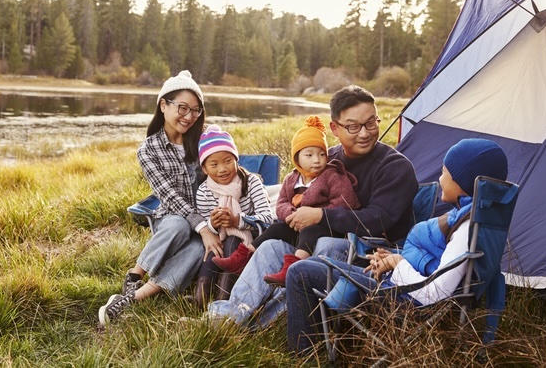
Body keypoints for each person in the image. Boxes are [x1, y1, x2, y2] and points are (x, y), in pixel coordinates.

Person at [206, 84, 418, 329]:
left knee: (324, 246)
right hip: (312, 238)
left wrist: (320, 215)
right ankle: (230, 316)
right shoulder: (325, 157)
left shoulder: (394, 167)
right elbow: (297, 194)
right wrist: (294, 214)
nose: (364, 133)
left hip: (369, 251)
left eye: (371, 123)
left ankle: (260, 326)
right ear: (335, 128)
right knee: (272, 246)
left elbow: (378, 220)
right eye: (353, 126)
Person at [286, 138, 509, 355]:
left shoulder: (465, 230)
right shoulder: (479, 220)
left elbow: (435, 293)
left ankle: (303, 355)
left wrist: (398, 263)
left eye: (444, 173)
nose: (440, 179)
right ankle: (328, 347)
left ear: (462, 183)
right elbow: (438, 265)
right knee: (315, 264)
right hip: (402, 287)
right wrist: (392, 257)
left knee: (300, 272)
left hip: (404, 301)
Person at [98, 70, 220, 326]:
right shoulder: (148, 150)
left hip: (208, 219)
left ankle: (134, 298)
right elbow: (169, 196)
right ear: (163, 105)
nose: (189, 116)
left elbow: (226, 168)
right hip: (171, 219)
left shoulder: (205, 138)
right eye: (182, 108)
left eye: (195, 110)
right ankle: (135, 275)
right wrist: (201, 227)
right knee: (179, 224)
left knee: (201, 249)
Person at [211, 115, 359, 287]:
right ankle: (243, 256)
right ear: (297, 158)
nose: (317, 160)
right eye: (309, 155)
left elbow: (345, 202)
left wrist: (318, 214)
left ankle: (292, 267)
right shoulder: (292, 179)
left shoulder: (332, 176)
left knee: (309, 231)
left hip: (325, 227)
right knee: (275, 228)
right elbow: (281, 203)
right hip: (297, 225)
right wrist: (292, 214)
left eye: (322, 154)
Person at [190, 124, 274, 308]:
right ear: (204, 169)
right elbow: (207, 227)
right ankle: (201, 296)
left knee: (232, 241)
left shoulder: (251, 182)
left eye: (227, 161)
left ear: (236, 159)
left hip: (251, 240)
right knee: (214, 248)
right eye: (214, 164)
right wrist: (213, 224)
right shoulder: (204, 191)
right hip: (220, 239)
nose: (222, 169)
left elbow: (268, 220)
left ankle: (224, 297)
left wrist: (237, 221)